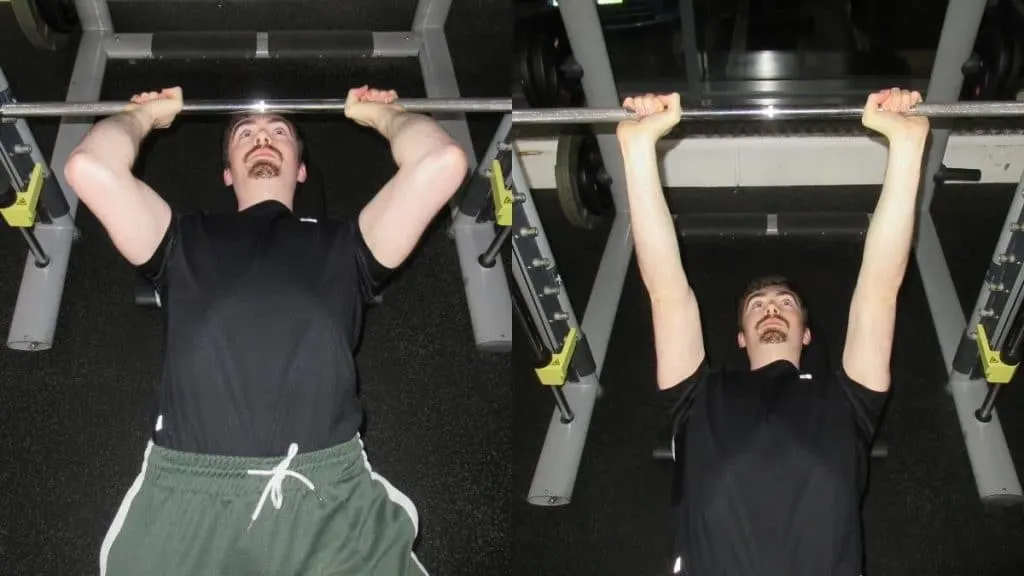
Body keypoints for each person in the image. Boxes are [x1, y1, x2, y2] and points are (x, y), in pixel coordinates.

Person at [64, 85, 469, 576]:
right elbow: (90, 168)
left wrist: (388, 116)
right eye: (245, 133)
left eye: (280, 131)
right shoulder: (179, 240)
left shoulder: (348, 246)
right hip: (189, 499)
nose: (263, 137)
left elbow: (441, 162)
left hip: (325, 499)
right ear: (228, 172)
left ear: (300, 167)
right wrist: (143, 115)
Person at [614, 88, 930, 576]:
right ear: (740, 337)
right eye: (756, 306)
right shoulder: (698, 397)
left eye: (785, 304)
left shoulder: (848, 404)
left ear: (806, 334)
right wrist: (637, 150)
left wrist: (907, 147)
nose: (771, 310)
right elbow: (668, 293)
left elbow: (877, 293)